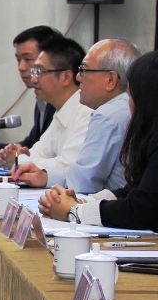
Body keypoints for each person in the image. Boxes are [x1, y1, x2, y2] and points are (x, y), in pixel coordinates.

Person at [39, 50, 158, 256]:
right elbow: (137, 189)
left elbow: (141, 209)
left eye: (131, 94)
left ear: (146, 98)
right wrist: (84, 202)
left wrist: (74, 212)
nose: (128, 103)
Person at [14, 38, 137, 190]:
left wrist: (30, 166)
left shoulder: (108, 115)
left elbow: (84, 182)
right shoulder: (123, 106)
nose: (78, 77)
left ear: (110, 79)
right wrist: (45, 176)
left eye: (84, 70)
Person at [0, 37, 92, 186]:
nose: (34, 79)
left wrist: (19, 159)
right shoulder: (61, 111)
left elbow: (67, 166)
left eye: (40, 71)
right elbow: (38, 152)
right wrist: (20, 158)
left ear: (66, 77)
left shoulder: (87, 113)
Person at [0, 26, 62, 163]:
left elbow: (51, 159)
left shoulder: (60, 102)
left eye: (28, 59)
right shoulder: (42, 99)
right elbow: (31, 144)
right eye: (18, 60)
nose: (21, 67)